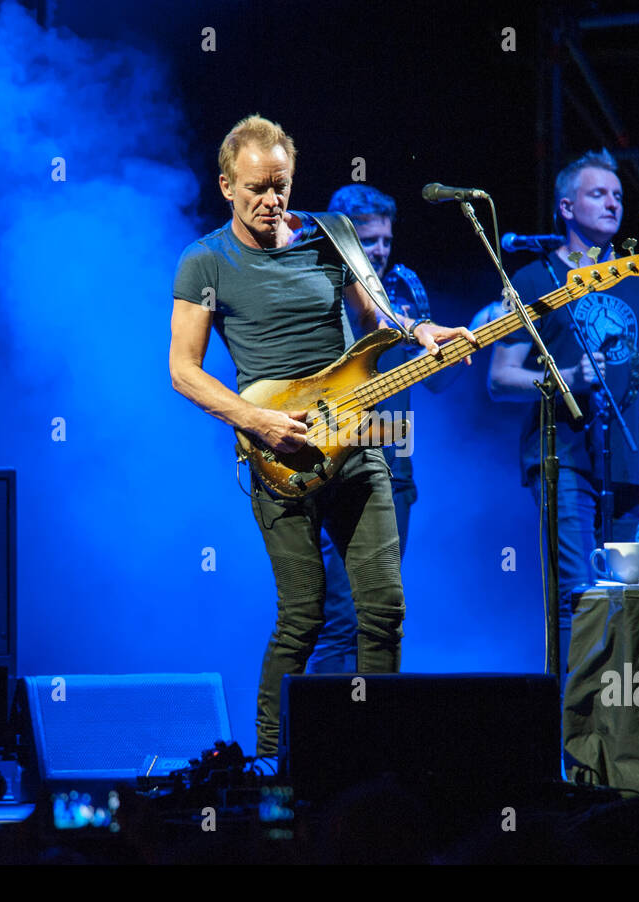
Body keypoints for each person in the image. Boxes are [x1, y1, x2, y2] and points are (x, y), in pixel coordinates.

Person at [169, 115, 476, 755]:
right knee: (303, 618)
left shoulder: (332, 235)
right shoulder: (204, 261)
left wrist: (419, 333)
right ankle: (270, 763)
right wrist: (257, 421)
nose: (270, 200)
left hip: (356, 441)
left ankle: (375, 755)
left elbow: (375, 315)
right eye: (254, 187)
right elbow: (183, 371)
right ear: (226, 185)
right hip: (277, 454)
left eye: (279, 185)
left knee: (385, 609)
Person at [484, 148, 639, 642]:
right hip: (562, 457)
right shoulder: (536, 278)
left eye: (618, 195)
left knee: (622, 599)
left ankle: (616, 711)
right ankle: (572, 716)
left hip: (627, 460)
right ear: (566, 207)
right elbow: (500, 378)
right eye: (598, 193)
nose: (612, 204)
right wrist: (567, 378)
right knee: (579, 595)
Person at [307, 184, 462, 673]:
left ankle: (374, 732)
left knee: (383, 614)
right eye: (368, 241)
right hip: (337, 462)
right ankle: (314, 739)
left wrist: (469, 342)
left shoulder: (406, 283)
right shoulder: (319, 281)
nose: (379, 251)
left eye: (385, 241)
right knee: (339, 615)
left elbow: (438, 382)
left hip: (395, 461)